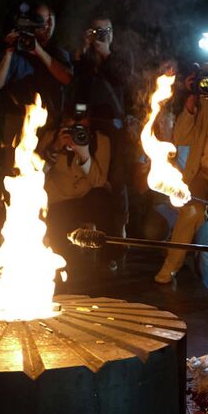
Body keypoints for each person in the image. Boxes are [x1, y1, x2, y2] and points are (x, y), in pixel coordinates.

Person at [154, 58, 208, 319]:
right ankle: (168, 269)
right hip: (203, 175)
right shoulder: (206, 98)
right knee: (190, 214)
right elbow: (182, 136)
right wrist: (192, 99)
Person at [71, 14, 135, 249]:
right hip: (90, 126)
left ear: (112, 33)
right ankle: (89, 240)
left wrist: (105, 52)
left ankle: (117, 241)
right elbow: (77, 89)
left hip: (115, 129)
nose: (100, 35)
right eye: (95, 31)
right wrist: (83, 51)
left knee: (115, 183)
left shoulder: (120, 57)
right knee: (90, 180)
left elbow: (125, 81)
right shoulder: (85, 60)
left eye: (104, 30)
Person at [0, 2, 73, 173]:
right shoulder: (16, 52)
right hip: (18, 124)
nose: (47, 26)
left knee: (47, 181)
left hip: (50, 126)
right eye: (41, 21)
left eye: (51, 21)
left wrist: (38, 51)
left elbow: (66, 78)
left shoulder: (57, 53)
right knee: (15, 179)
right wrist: (9, 51)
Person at [39, 104, 116, 271]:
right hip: (58, 202)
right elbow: (36, 174)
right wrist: (55, 149)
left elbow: (99, 182)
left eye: (82, 126)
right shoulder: (52, 138)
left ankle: (108, 257)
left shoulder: (100, 141)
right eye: (72, 126)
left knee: (103, 198)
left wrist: (84, 154)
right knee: (64, 256)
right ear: (63, 123)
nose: (76, 132)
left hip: (86, 199)